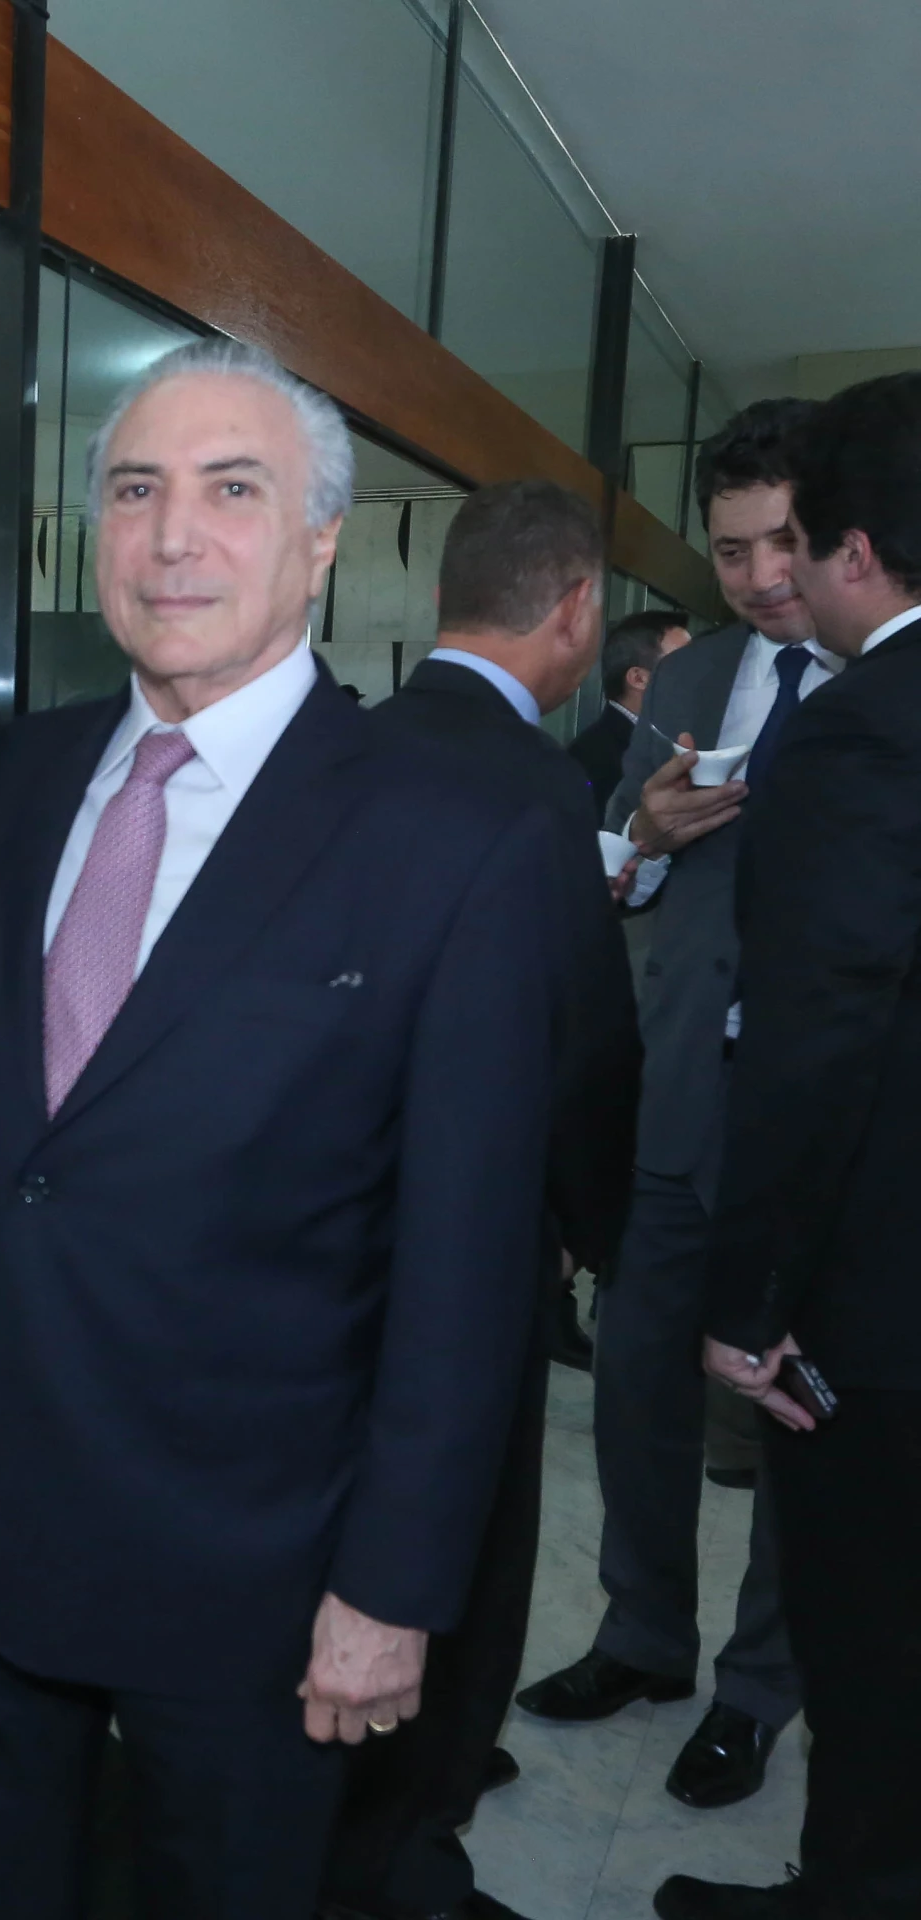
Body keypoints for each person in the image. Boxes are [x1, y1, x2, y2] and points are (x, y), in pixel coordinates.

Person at [0, 337, 559, 1920]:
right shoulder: (17, 779)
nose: (172, 536)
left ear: (321, 543)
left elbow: (469, 1271)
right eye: (136, 491)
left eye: (231, 490)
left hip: (262, 1589)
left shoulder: (452, 838)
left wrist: (395, 1592)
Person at [320, 481, 640, 1920]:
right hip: (478, 1249)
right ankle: (419, 1822)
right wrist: (608, 1232)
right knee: (472, 1539)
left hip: (326, 1247)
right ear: (572, 610)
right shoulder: (537, 790)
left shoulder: (344, 755)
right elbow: (583, 1054)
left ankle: (355, 1777)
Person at [516, 401, 832, 1810]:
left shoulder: (891, 678)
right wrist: (641, 835)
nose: (763, 576)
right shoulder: (690, 680)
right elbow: (624, 884)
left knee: (786, 1417)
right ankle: (644, 1636)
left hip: (817, 1118)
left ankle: (763, 1692)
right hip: (672, 1095)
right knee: (636, 1383)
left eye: (785, 542)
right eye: (732, 549)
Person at [659, 372, 921, 1920]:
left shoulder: (860, 737)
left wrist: (749, 1302)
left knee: (869, 1629)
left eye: (801, 545)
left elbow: (819, 1048)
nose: (780, 581)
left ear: (859, 552)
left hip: (883, 1302)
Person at [567, 609, 691, 824]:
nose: (698, 676)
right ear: (639, 678)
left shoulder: (656, 740)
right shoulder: (595, 758)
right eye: (684, 665)